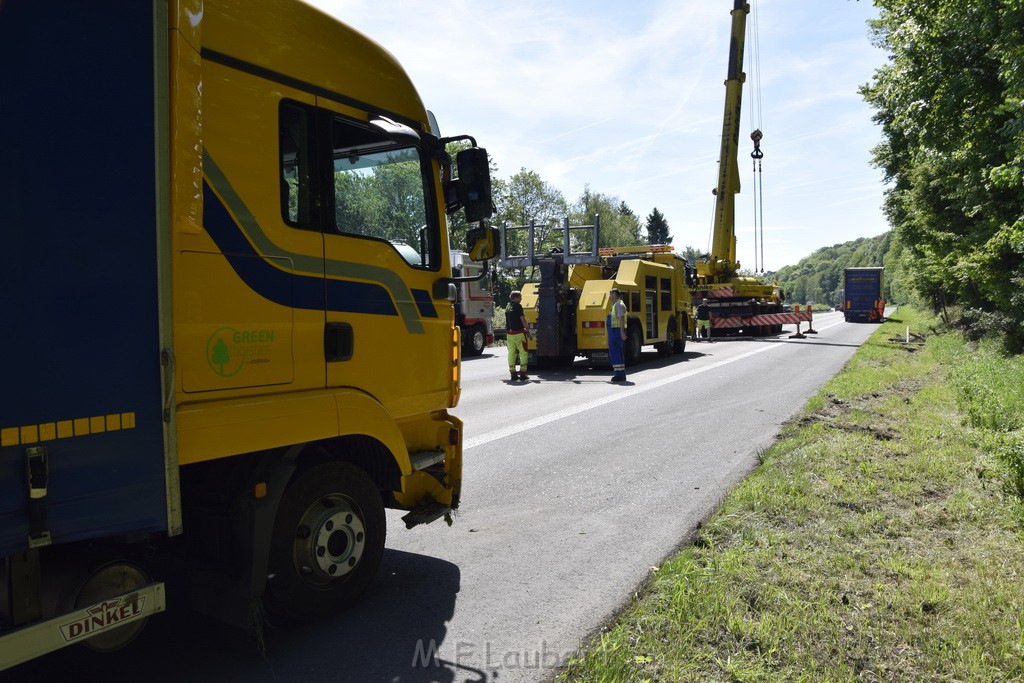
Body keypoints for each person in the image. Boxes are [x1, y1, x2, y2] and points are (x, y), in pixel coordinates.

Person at [505, 291, 531, 381]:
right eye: (520, 297)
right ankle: (523, 374)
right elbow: (523, 320)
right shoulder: (518, 306)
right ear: (515, 298)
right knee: (523, 353)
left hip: (509, 334)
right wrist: (527, 330)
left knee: (511, 353)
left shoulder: (508, 306)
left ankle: (513, 374)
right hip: (519, 333)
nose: (521, 298)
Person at [608, 288, 628, 382]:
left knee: (615, 353)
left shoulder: (618, 305)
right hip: (614, 332)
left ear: (615, 294)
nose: (609, 296)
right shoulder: (616, 304)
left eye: (611, 294)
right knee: (617, 352)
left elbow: (621, 319)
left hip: (616, 332)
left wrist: (622, 332)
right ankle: (620, 374)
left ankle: (619, 374)